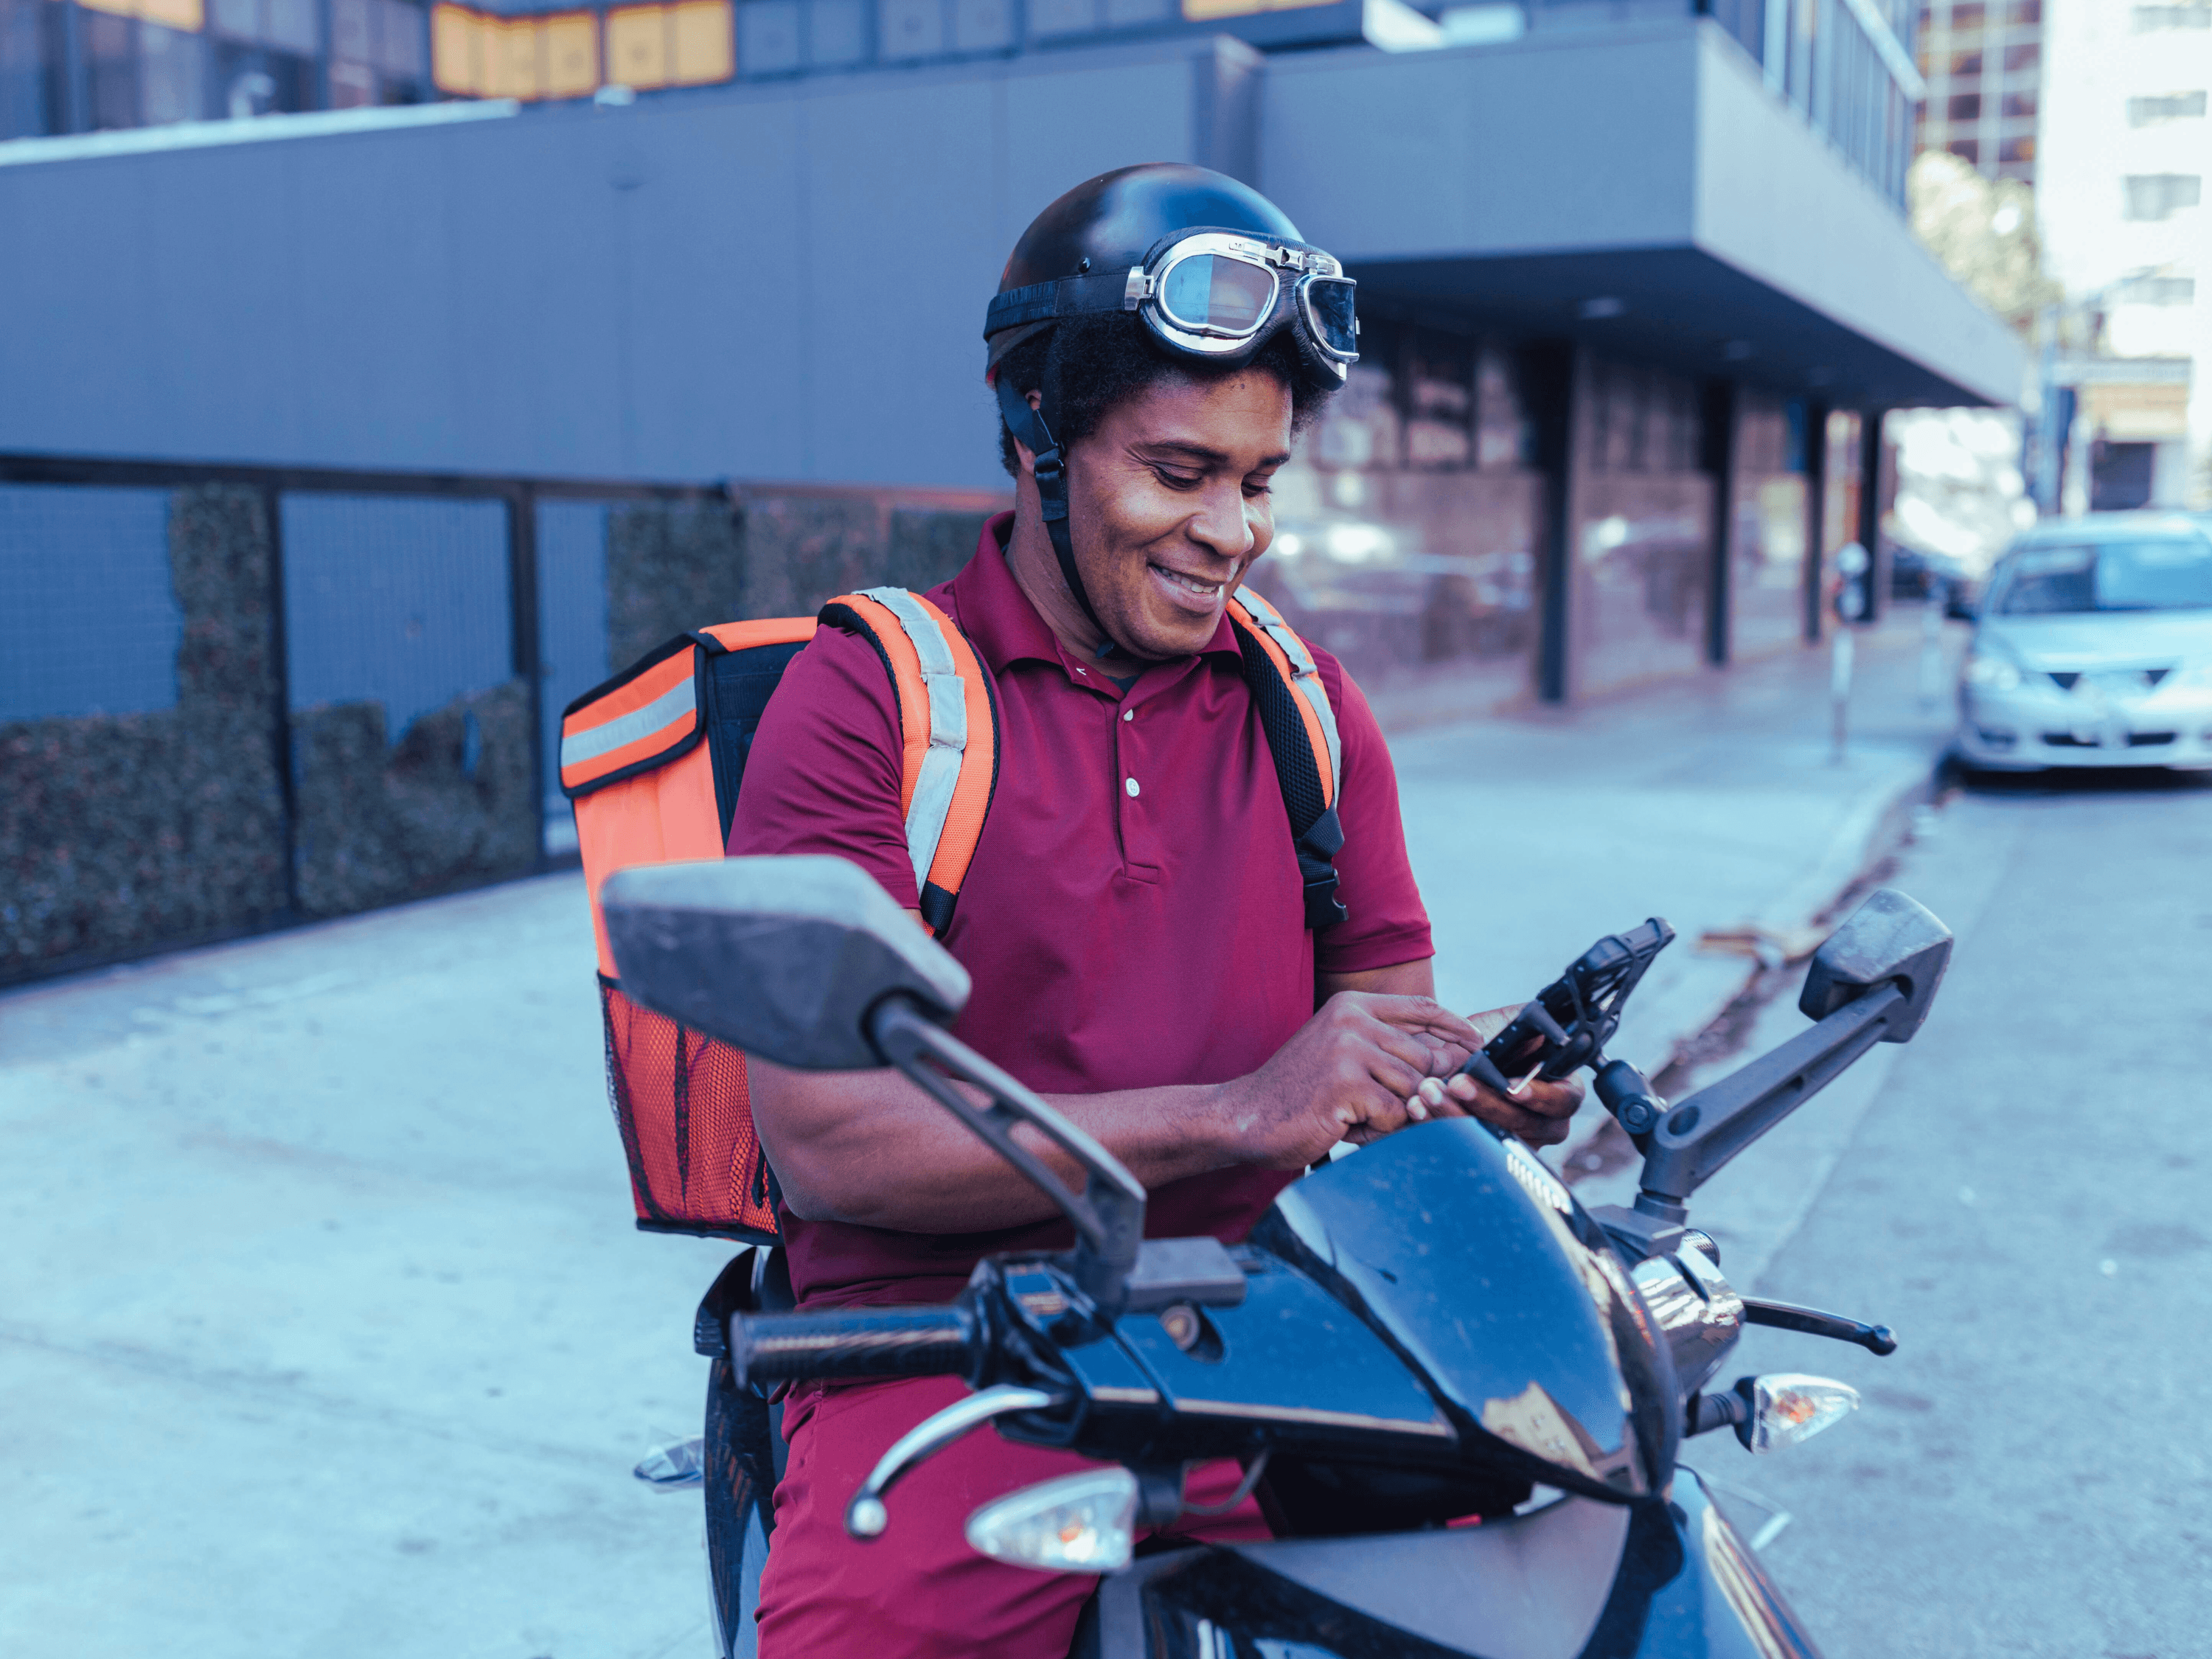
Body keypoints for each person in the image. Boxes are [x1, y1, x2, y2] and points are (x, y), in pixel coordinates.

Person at [724, 163, 1585, 1659]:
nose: (1234, 531)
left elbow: (1372, 1049)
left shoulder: (1312, 712)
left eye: (1259, 482)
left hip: (1288, 1334)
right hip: (958, 1353)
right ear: (1038, 438)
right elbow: (829, 1139)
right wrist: (1243, 1114)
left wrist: (1461, 1086)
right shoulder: (871, 702)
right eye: (1179, 474)